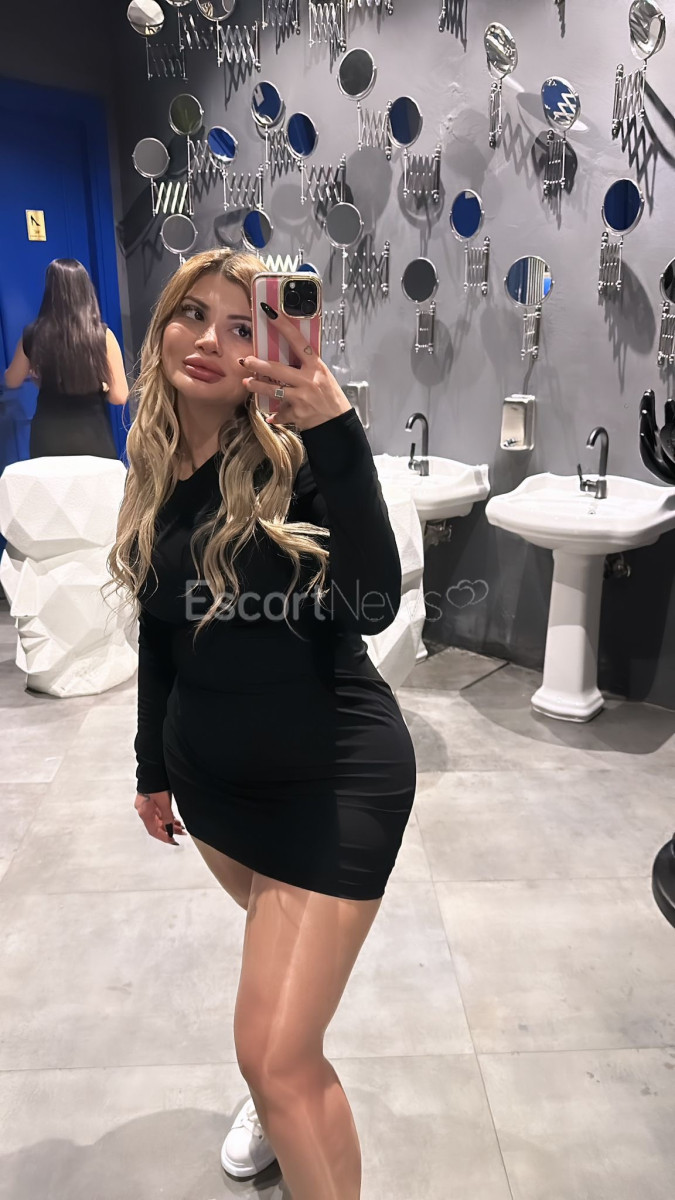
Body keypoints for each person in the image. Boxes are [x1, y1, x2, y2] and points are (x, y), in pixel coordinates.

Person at [105, 247, 417, 1200]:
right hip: (214, 784)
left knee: (274, 1051)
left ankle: (278, 1093)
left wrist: (337, 432)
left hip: (331, 775)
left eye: (243, 327)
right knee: (281, 1012)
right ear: (161, 328)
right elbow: (162, 633)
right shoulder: (152, 464)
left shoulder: (295, 461)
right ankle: (278, 1100)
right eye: (191, 313)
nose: (210, 339)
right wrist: (151, 768)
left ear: (269, 350)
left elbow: (372, 603)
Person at [3, 258, 129, 458]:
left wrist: (40, 377)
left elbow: (12, 380)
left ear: (50, 290)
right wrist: (101, 387)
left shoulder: (32, 334)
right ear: (85, 289)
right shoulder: (103, 335)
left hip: (47, 437)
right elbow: (120, 396)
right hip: (92, 436)